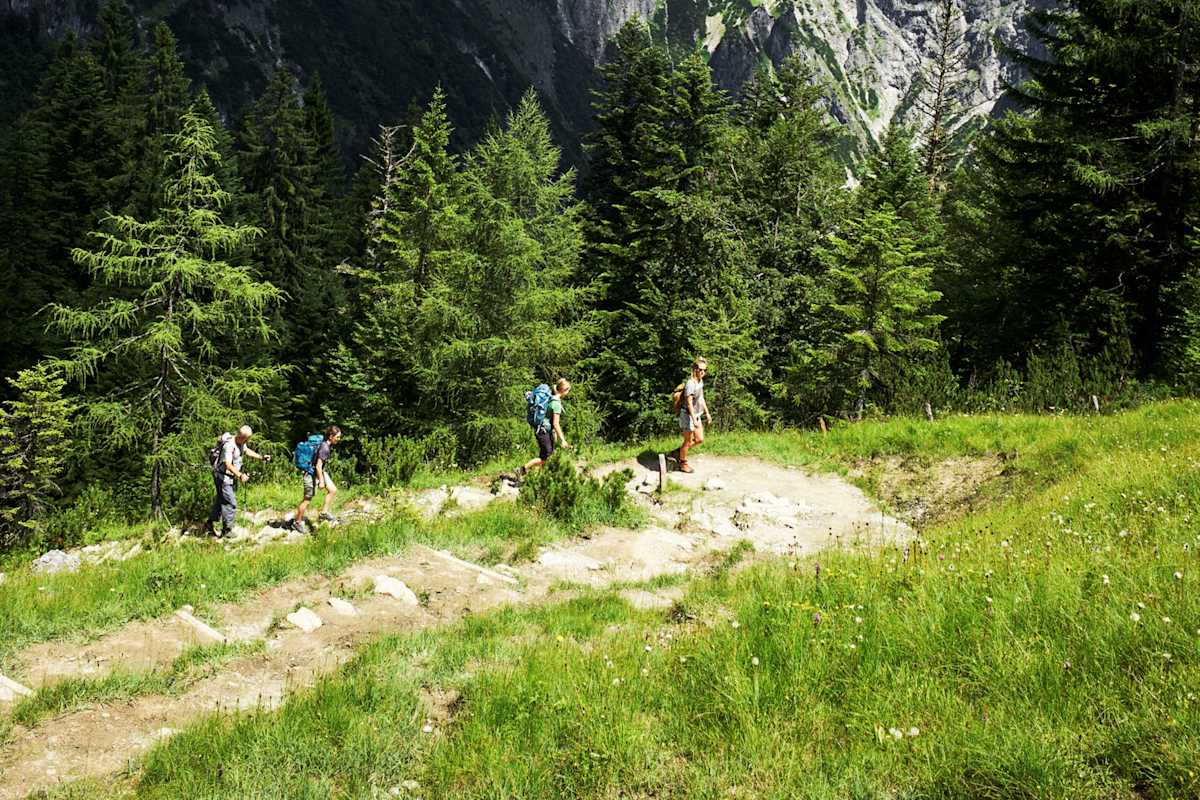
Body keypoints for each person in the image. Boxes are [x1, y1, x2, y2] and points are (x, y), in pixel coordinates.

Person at [205, 425, 271, 537]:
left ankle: (209, 524)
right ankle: (227, 530)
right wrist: (240, 475)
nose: (248, 441)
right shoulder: (229, 446)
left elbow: (247, 451)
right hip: (222, 477)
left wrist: (261, 457)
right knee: (230, 502)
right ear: (242, 437)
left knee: (221, 500)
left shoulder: (241, 442)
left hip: (227, 477)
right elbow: (228, 464)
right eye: (247, 439)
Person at [293, 425, 342, 532]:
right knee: (307, 499)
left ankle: (323, 514)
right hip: (310, 473)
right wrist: (321, 481)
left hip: (318, 472)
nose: (339, 439)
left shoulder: (326, 445)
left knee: (332, 490)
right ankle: (297, 522)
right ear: (330, 436)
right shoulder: (325, 448)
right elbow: (318, 466)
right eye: (337, 437)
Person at [522, 379, 572, 474]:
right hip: (543, 431)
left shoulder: (550, 398)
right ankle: (522, 469)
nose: (568, 393)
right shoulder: (556, 404)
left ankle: (542, 476)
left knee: (547, 456)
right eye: (568, 390)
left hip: (543, 430)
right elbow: (556, 424)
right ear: (564, 390)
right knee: (545, 457)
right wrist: (563, 440)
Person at [674, 358, 712, 474]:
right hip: (687, 415)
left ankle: (678, 452)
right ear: (695, 369)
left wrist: (707, 412)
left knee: (700, 439)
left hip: (696, 415)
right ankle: (683, 463)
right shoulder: (690, 384)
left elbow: (701, 398)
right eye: (700, 369)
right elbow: (689, 402)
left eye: (704, 370)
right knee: (687, 441)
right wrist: (693, 418)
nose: (702, 372)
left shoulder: (700, 382)